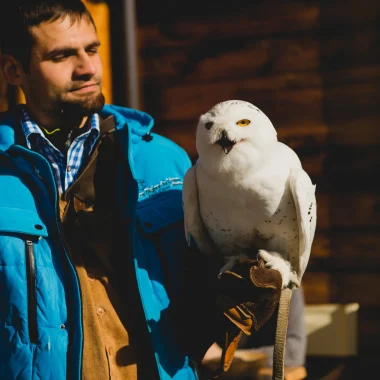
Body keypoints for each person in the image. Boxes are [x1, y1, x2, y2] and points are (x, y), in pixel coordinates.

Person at [0, 1, 282, 379]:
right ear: (14, 69)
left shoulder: (164, 162)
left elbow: (193, 308)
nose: (87, 68)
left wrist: (233, 295)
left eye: (92, 50)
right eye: (62, 55)